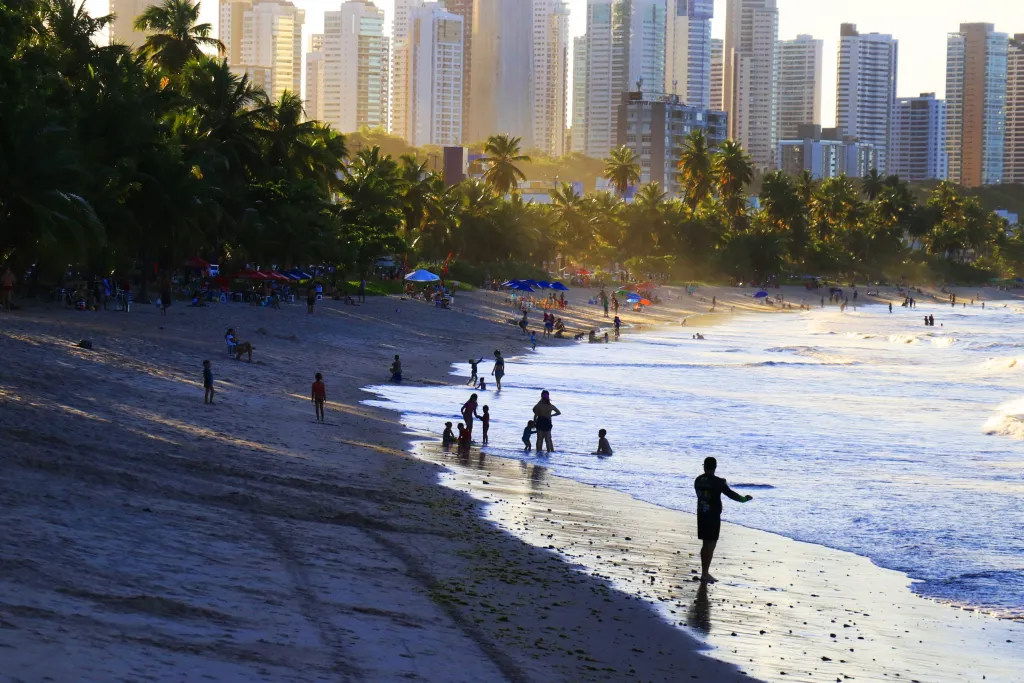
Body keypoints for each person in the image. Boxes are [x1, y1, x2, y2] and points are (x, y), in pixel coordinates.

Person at [694, 457, 752, 584]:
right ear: (715, 467)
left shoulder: (698, 480)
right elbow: (731, 494)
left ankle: (704, 572)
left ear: (704, 466)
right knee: (711, 544)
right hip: (713, 515)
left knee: (705, 544)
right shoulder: (718, 482)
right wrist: (744, 499)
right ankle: (705, 573)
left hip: (701, 514)